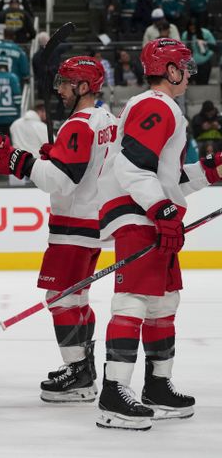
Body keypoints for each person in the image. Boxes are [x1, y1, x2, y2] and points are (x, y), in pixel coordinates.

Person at [94, 38, 222, 430]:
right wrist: (162, 209)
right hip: (137, 213)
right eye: (184, 66)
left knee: (165, 300)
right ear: (170, 70)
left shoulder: (165, 109)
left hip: (149, 211)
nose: (189, 73)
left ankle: (157, 385)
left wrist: (212, 169)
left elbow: (167, 178)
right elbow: (133, 168)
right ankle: (114, 392)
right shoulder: (155, 105)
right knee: (132, 300)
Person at [0, 57, 117, 403]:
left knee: (60, 298)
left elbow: (60, 183)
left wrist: (22, 161)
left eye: (66, 83)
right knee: (76, 297)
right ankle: (84, 368)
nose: (59, 90)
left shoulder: (78, 125)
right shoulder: (108, 119)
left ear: (82, 87)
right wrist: (54, 157)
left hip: (73, 225)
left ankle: (78, 373)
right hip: (94, 219)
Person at [181, 19, 216, 85]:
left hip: (204, 62)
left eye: (194, 27)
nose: (192, 28)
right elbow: (183, 50)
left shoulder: (206, 33)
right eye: (190, 27)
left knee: (203, 83)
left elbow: (213, 47)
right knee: (191, 84)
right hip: (190, 63)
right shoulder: (185, 35)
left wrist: (207, 56)